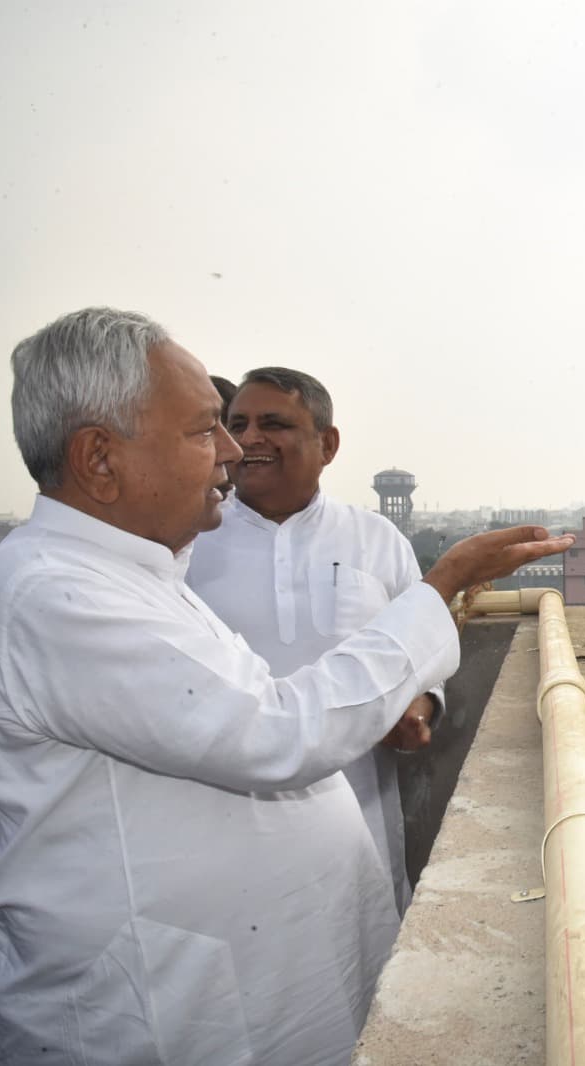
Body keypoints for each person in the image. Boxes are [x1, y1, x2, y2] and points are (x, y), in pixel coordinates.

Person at [0, 308, 573, 1065]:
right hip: (157, 1012)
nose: (230, 451)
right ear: (99, 458)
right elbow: (274, 732)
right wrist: (444, 582)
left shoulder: (138, 571)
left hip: (251, 992)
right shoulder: (55, 596)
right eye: (204, 429)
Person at [187, 367, 445, 915]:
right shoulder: (188, 544)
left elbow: (422, 654)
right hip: (226, 830)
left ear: (327, 444)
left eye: (273, 423)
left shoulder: (376, 540)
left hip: (361, 815)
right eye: (237, 424)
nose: (249, 439)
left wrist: (419, 707)